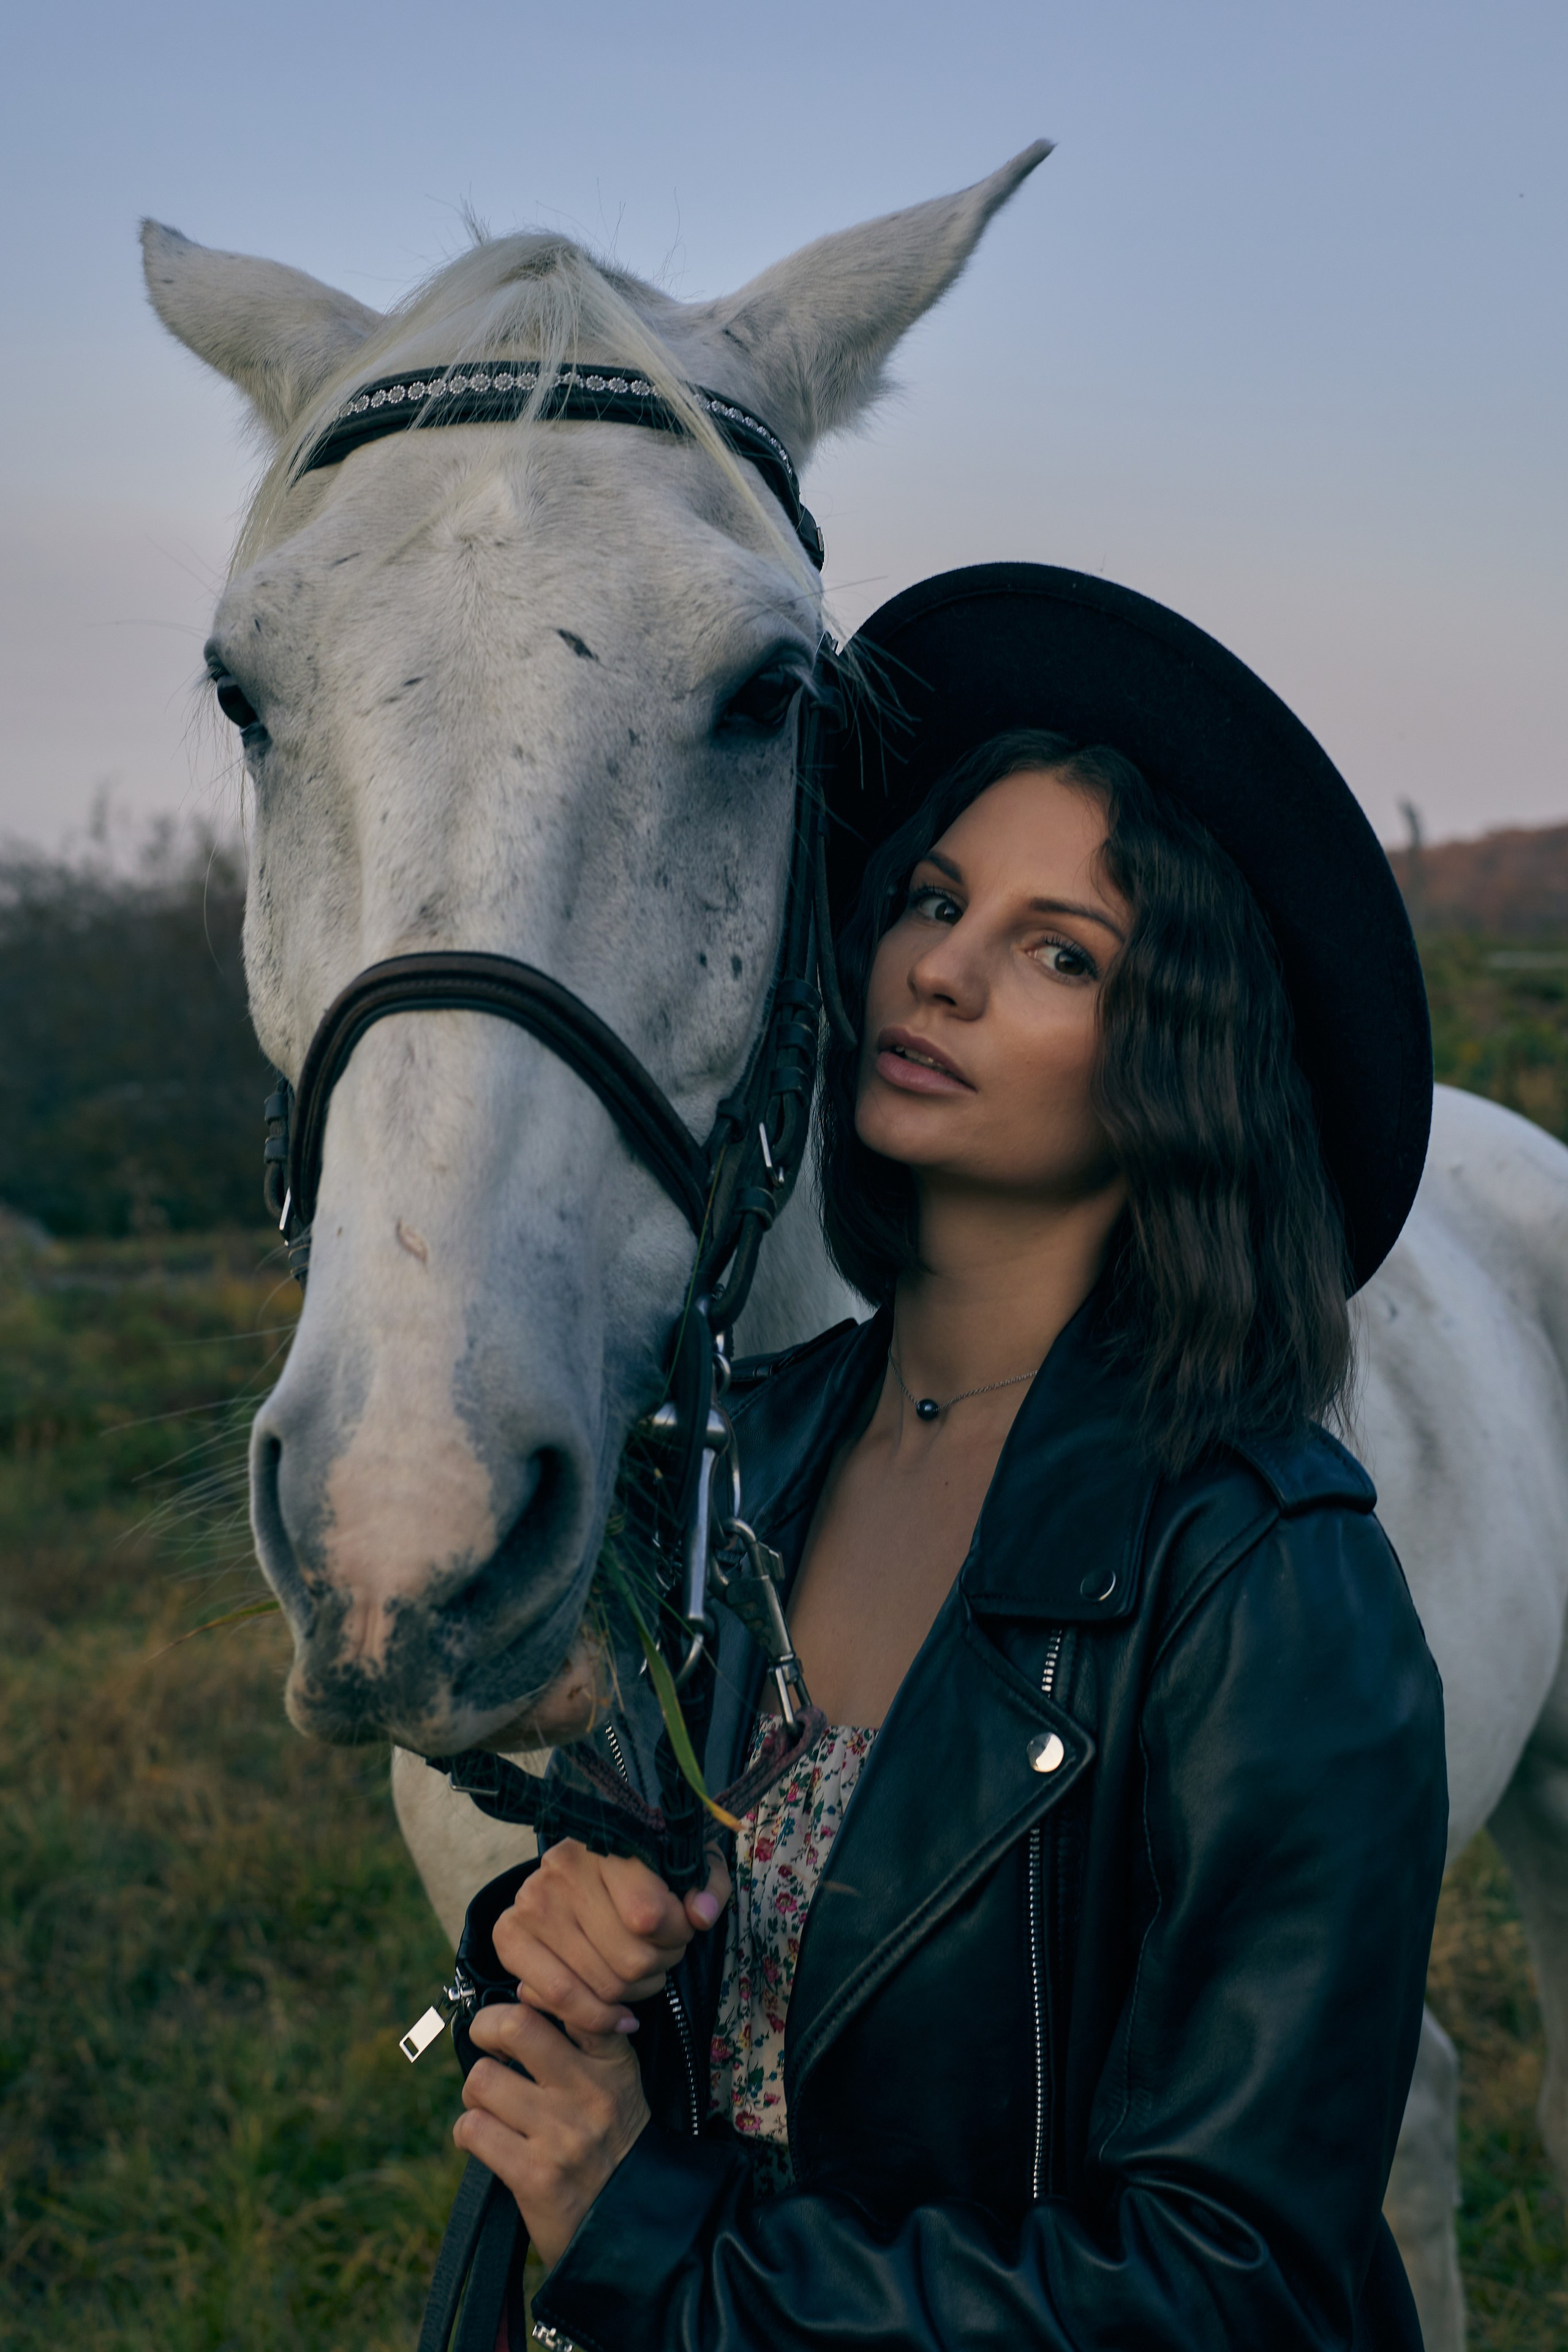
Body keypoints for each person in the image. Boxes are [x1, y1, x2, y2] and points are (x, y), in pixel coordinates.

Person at [448, 565, 1448, 2350]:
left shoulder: (1272, 1580)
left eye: (1063, 951)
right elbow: (695, 1976)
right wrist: (555, 1927)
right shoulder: (736, 1462)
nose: (944, 970)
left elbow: (1238, 2289)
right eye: (933, 896)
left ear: (1185, 1058)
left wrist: (666, 2251)